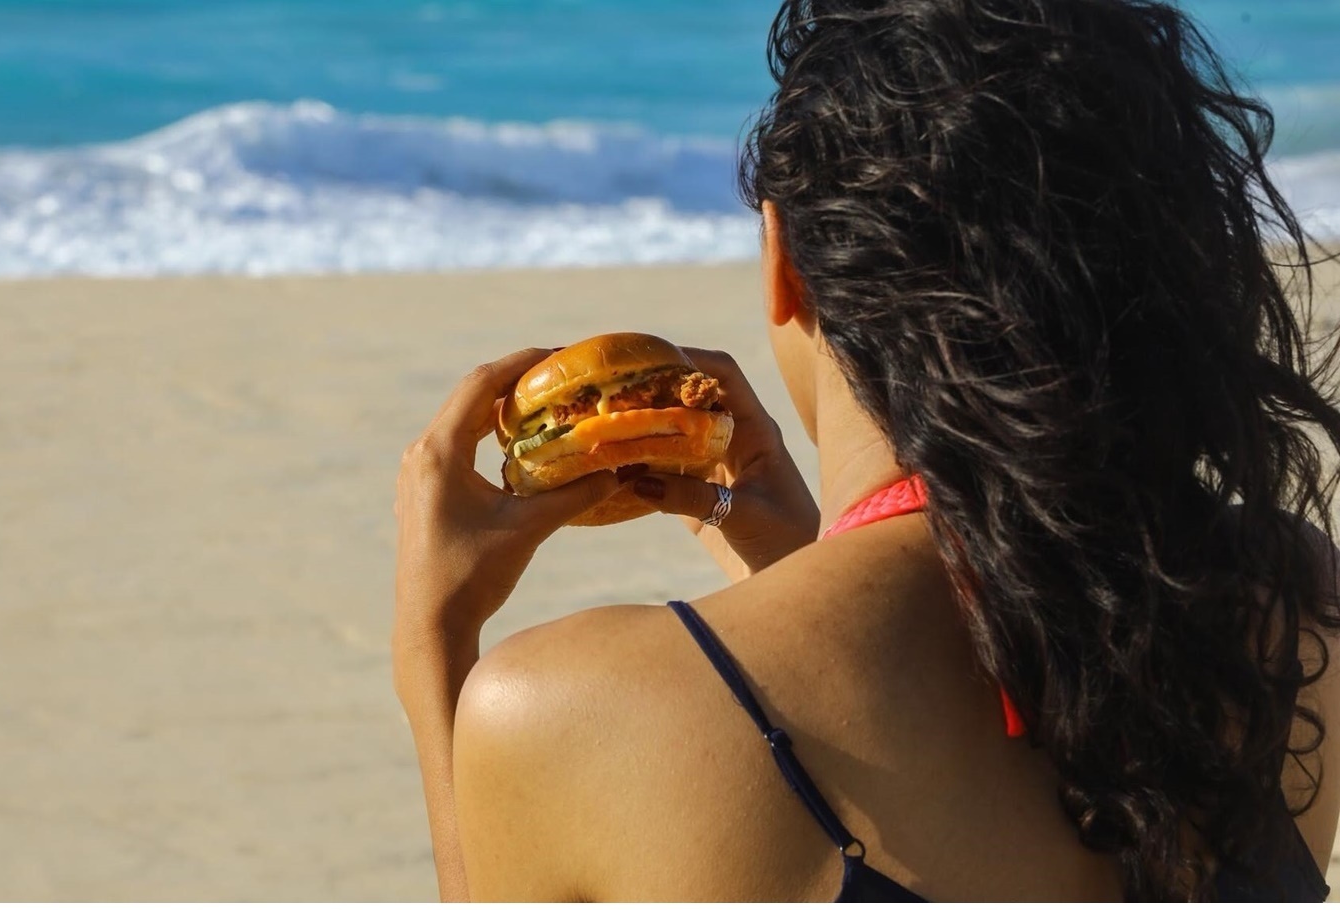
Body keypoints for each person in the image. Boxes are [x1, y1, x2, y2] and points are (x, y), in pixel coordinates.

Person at [392, 0, 1340, 900]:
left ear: (784, 265)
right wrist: (803, 567)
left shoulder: (574, 709)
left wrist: (436, 648)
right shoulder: (1291, 603)